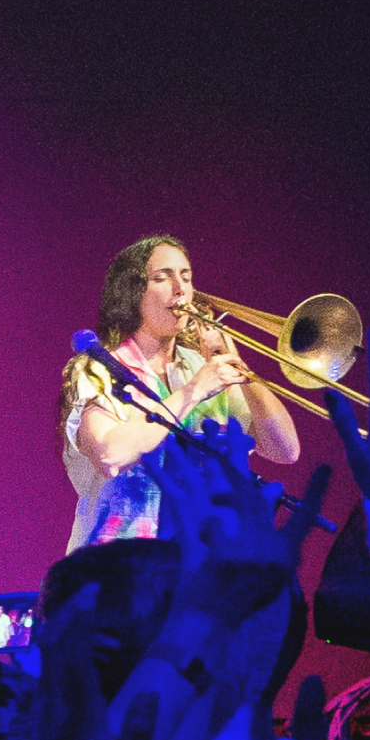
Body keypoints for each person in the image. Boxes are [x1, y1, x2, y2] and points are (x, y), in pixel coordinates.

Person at [61, 234, 300, 547]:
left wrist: (240, 368)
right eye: (163, 277)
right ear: (132, 293)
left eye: (186, 277)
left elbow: (285, 450)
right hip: (120, 560)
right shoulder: (97, 368)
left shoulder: (202, 367)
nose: (181, 288)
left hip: (201, 561)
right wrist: (195, 390)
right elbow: (111, 456)